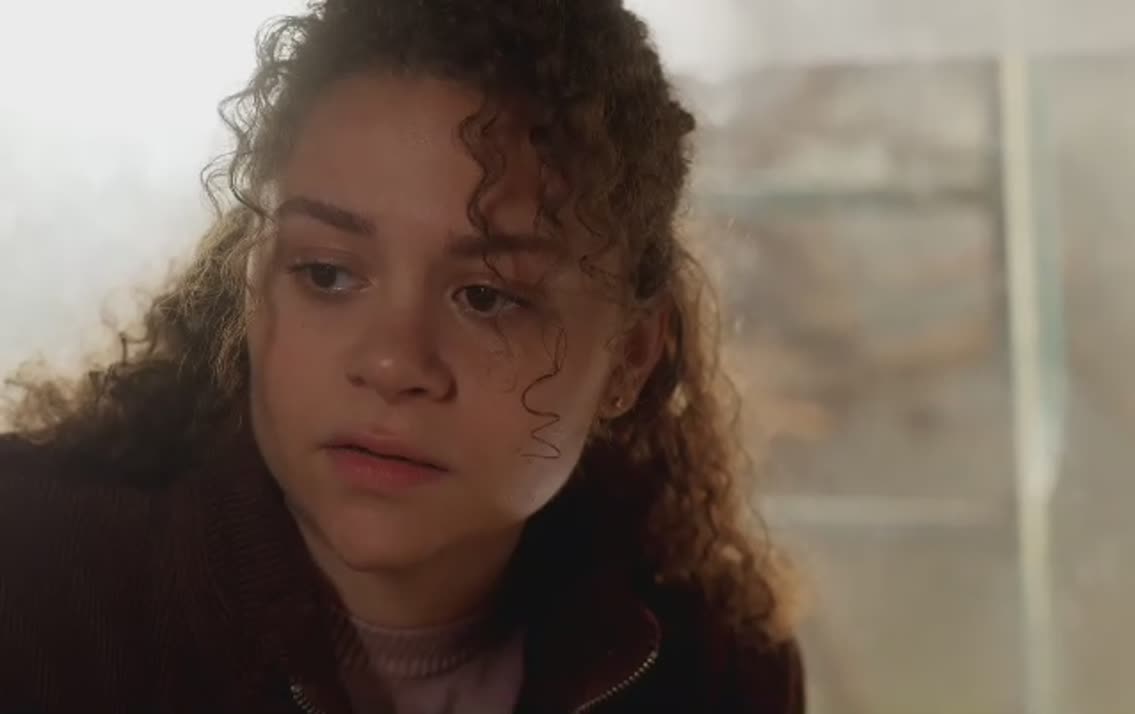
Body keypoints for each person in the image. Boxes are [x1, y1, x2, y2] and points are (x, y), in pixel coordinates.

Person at [0, 0, 804, 712]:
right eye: (327, 274)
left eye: (486, 297)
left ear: (630, 358)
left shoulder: (719, 675)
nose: (392, 363)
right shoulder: (28, 580)